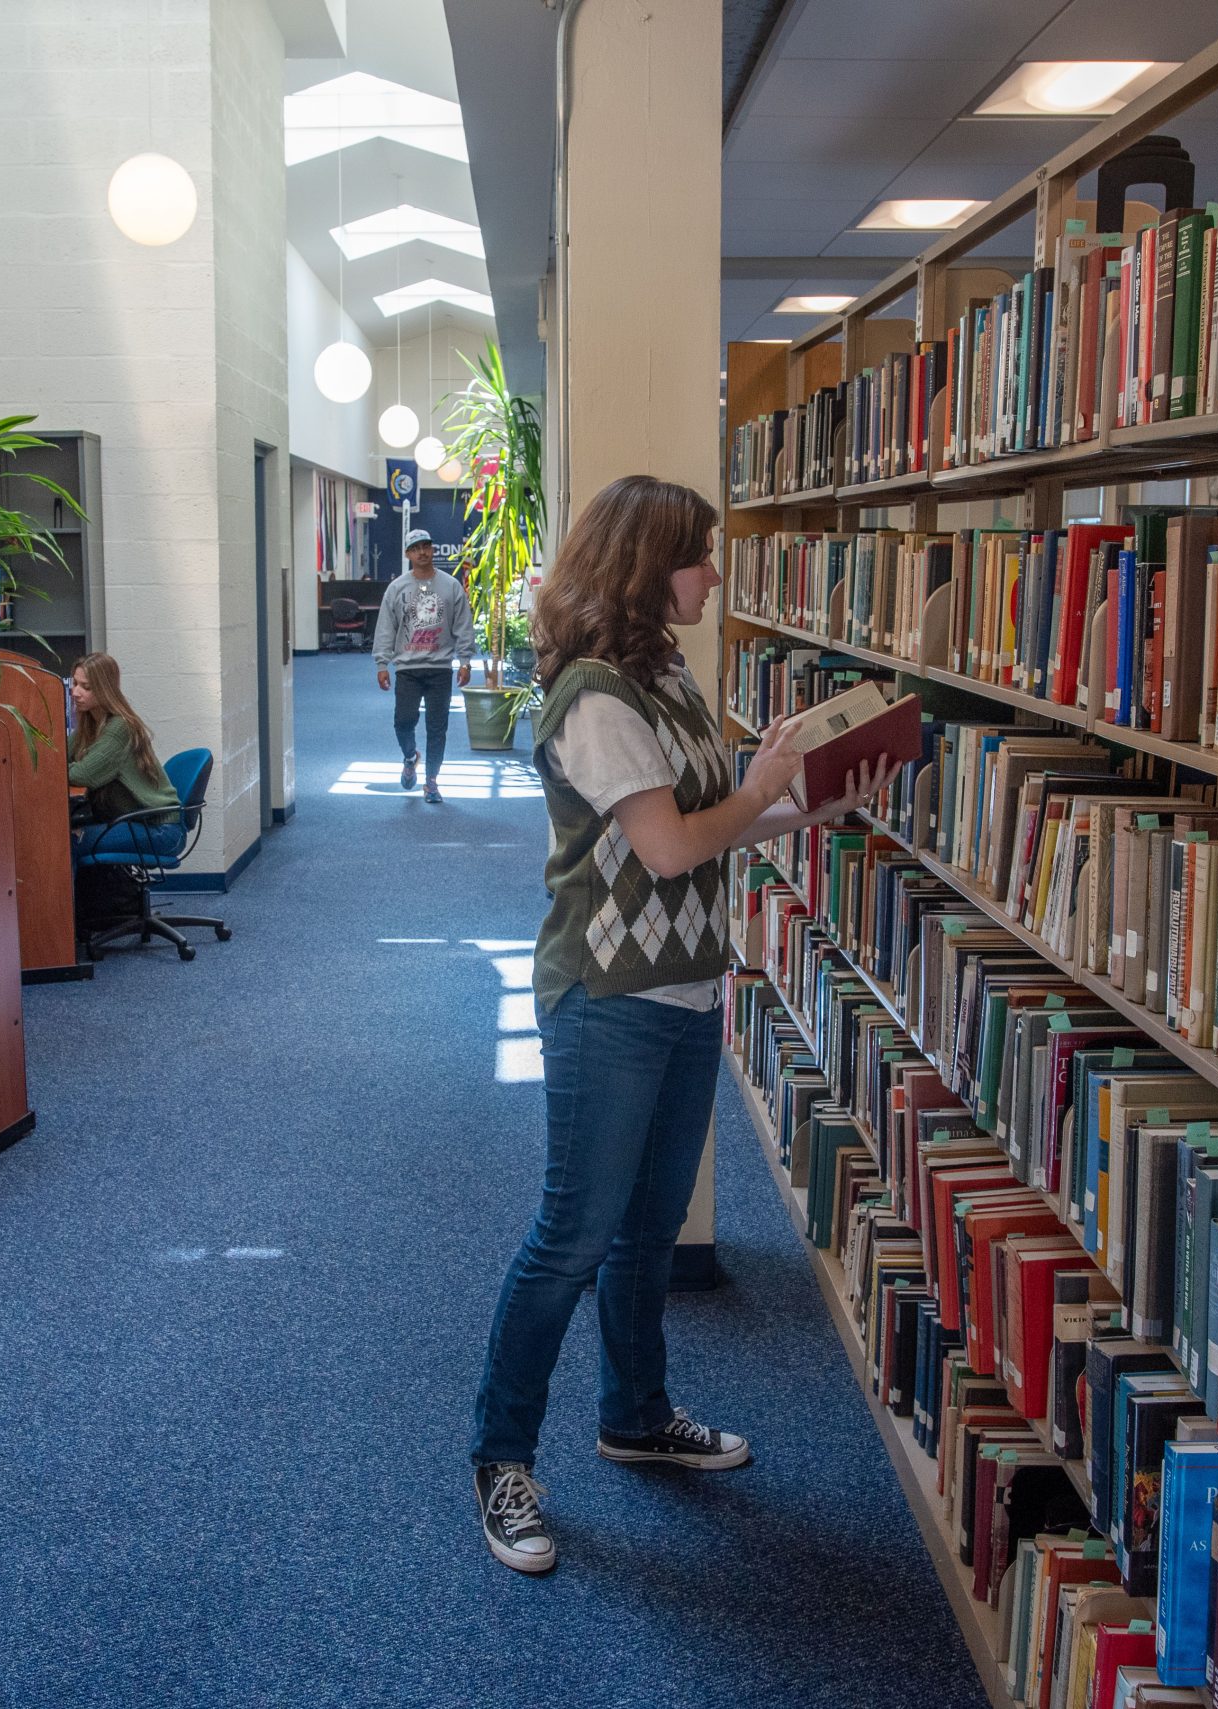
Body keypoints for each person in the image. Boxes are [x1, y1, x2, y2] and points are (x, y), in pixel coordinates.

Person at [468, 474, 900, 1575]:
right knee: (570, 1236)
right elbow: (668, 848)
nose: (714, 574)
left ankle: (634, 1412)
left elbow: (714, 825)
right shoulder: (596, 695)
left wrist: (825, 792)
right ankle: (501, 1457)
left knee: (647, 1233)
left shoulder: (665, 672)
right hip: (607, 1000)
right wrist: (761, 787)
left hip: (687, 990)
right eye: (699, 556)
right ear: (648, 563)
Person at [372, 528, 474, 804]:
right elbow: (385, 628)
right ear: (408, 554)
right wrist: (382, 662)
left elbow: (463, 625)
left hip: (440, 667)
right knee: (403, 722)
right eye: (416, 548)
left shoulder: (450, 586)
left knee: (437, 727)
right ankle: (409, 756)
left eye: (426, 546)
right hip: (407, 668)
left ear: (432, 549)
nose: (422, 552)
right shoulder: (397, 589)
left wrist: (465, 661)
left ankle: (431, 783)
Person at [66, 651, 178, 852]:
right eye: (75, 684)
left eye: (86, 687)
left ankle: (73, 885)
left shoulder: (119, 727)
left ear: (104, 690)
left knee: (68, 841)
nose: (75, 692)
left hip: (159, 828)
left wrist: (64, 767)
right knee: (66, 834)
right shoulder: (90, 725)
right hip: (133, 822)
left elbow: (82, 775)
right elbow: (56, 756)